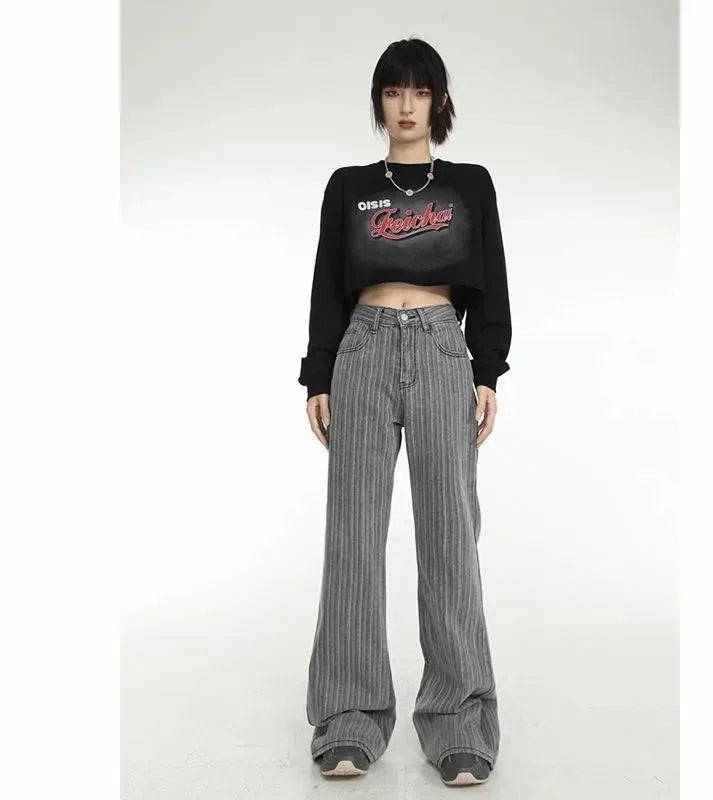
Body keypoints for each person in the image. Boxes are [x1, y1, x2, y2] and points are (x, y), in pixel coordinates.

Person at [298, 37, 511, 787]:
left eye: (420, 91)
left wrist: (487, 370)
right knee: (353, 537)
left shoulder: (469, 186)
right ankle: (348, 719)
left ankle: (460, 723)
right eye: (393, 91)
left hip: (442, 348)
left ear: (439, 102)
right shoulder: (349, 186)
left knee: (450, 536)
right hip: (361, 350)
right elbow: (327, 281)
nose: (407, 105)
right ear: (379, 102)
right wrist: (317, 374)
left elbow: (492, 282)